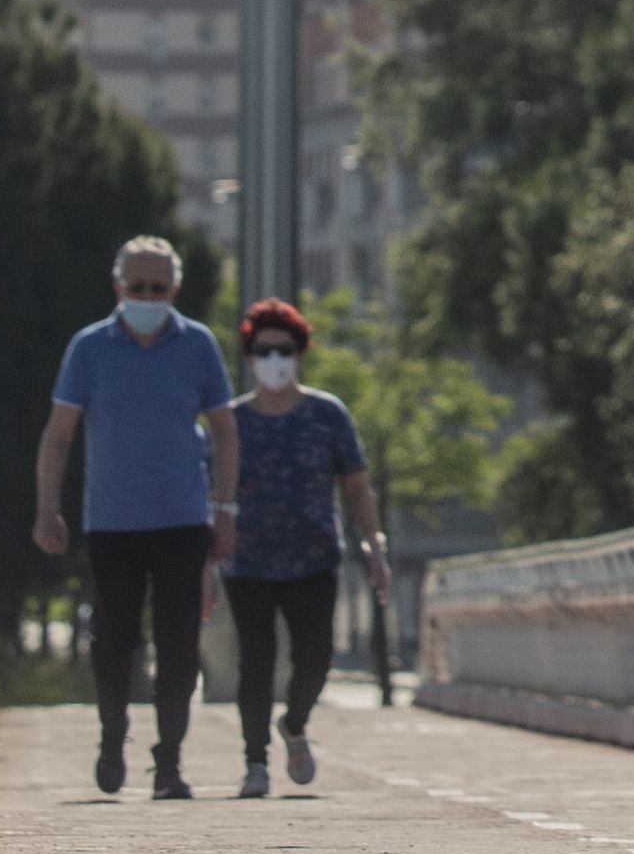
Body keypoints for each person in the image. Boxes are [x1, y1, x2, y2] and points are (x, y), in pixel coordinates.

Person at [32, 235, 236, 801]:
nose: (148, 297)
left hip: (182, 521)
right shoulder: (89, 348)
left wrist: (226, 511)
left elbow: (224, 432)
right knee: (114, 641)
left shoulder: (198, 345)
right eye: (138, 287)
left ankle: (169, 761)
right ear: (118, 287)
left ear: (175, 289)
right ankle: (111, 735)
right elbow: (59, 435)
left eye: (159, 288)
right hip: (112, 523)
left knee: (179, 645)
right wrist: (47, 509)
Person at [222, 298, 386, 794]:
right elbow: (212, 494)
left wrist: (374, 545)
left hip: (314, 557)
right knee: (256, 661)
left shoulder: (326, 414)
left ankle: (294, 723)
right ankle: (255, 762)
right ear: (250, 356)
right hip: (247, 561)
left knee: (315, 657)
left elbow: (356, 485)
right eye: (264, 350)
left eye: (284, 349)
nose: (274, 359)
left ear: (300, 353)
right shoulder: (230, 422)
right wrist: (207, 557)